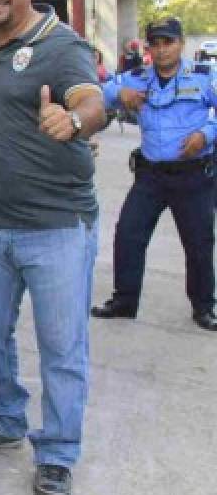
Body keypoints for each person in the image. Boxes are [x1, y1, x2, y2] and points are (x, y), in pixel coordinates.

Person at [0, 0, 107, 495]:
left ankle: (58, 450)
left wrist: (73, 120)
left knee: (61, 345)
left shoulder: (59, 45)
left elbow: (92, 100)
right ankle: (3, 419)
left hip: (56, 226)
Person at [92, 17, 217, 330]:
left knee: (199, 243)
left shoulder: (203, 77)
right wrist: (119, 96)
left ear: (181, 43)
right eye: (155, 44)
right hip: (150, 176)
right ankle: (124, 301)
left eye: (168, 43)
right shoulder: (136, 77)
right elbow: (96, 94)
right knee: (128, 234)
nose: (161, 51)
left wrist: (206, 134)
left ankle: (204, 307)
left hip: (193, 175)